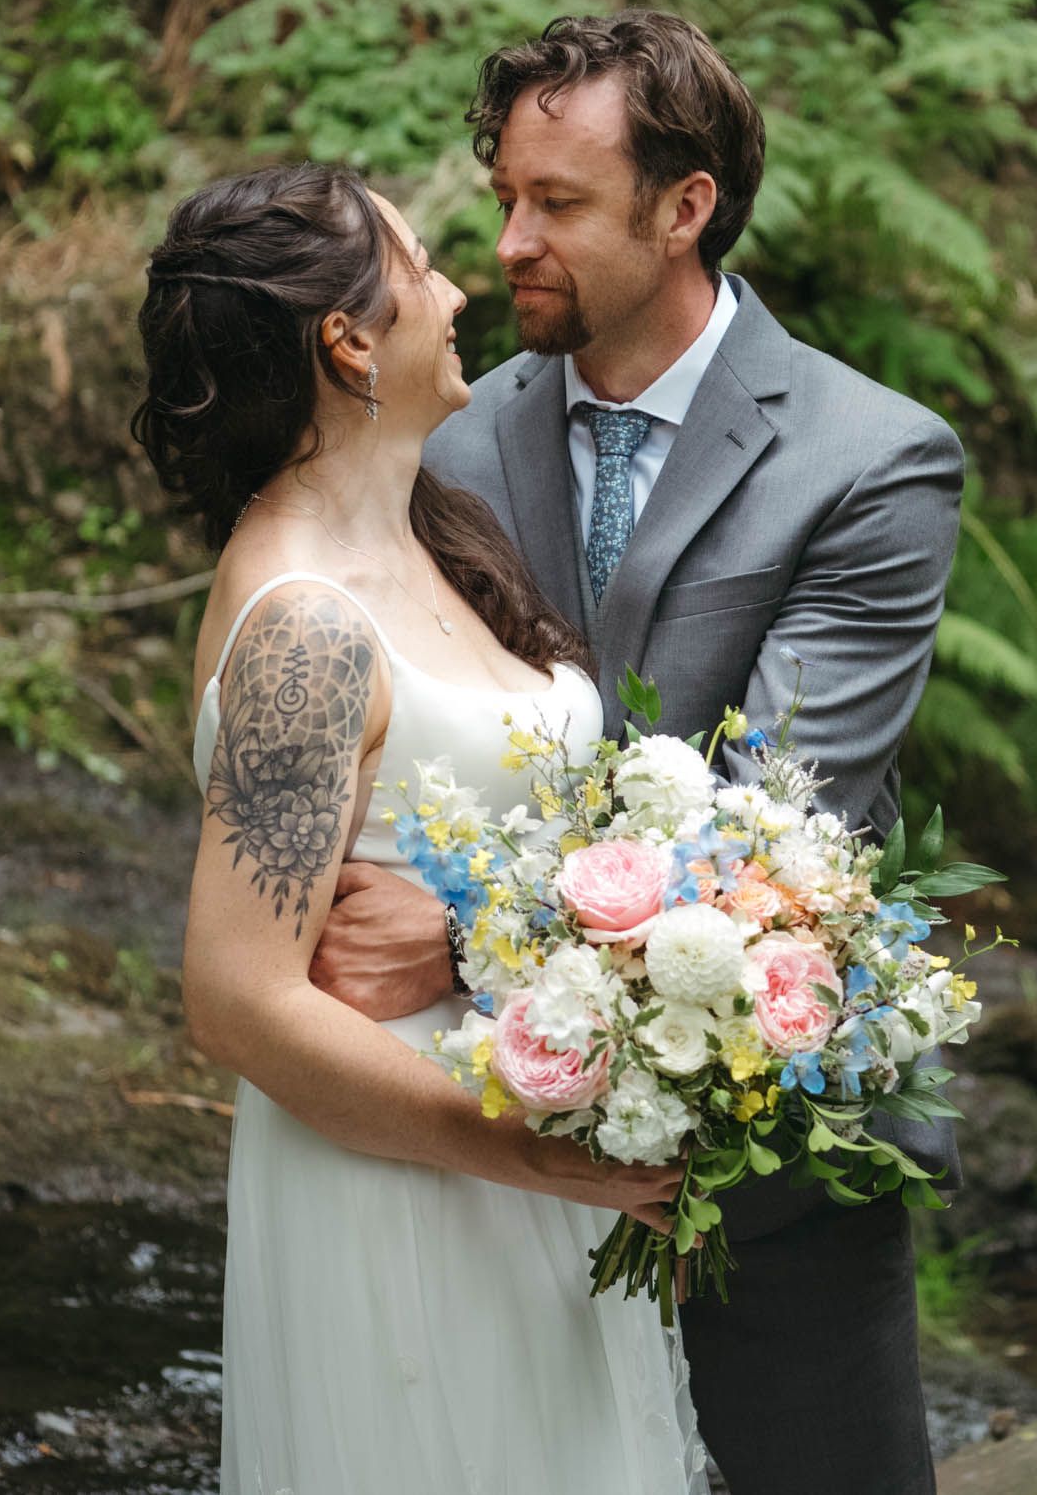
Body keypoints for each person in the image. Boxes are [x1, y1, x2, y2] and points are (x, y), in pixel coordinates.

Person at [308, 10, 966, 1495]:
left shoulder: (871, 462)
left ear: (686, 209)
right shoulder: (455, 440)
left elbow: (779, 825)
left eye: (561, 205)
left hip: (771, 1158)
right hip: (493, 1157)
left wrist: (470, 929)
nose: (509, 244)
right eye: (504, 200)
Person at [133, 160, 706, 1495]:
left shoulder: (442, 538)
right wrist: (534, 1152)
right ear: (346, 340)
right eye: (421, 266)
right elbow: (236, 998)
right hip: (410, 1190)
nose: (459, 289)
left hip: (534, 1164)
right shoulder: (305, 629)